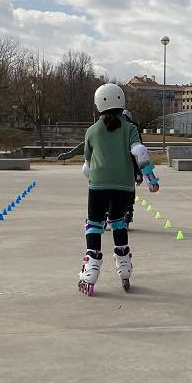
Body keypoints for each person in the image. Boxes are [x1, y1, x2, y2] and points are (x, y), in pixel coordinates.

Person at [79, 85, 160, 296]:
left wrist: (95, 175)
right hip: (123, 186)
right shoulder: (130, 128)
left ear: (99, 104)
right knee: (118, 223)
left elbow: (87, 164)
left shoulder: (91, 131)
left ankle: (91, 270)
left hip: (98, 185)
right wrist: (151, 177)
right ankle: (124, 267)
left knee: (94, 225)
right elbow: (139, 151)